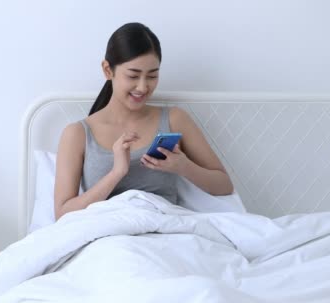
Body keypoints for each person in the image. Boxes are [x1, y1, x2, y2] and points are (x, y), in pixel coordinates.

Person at [54, 22, 233, 220]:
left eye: (152, 76)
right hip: (108, 239)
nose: (142, 87)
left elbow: (224, 185)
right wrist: (117, 173)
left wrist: (184, 167)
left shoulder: (175, 119)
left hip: (164, 233)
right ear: (107, 70)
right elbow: (62, 214)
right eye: (133, 75)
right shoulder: (77, 134)